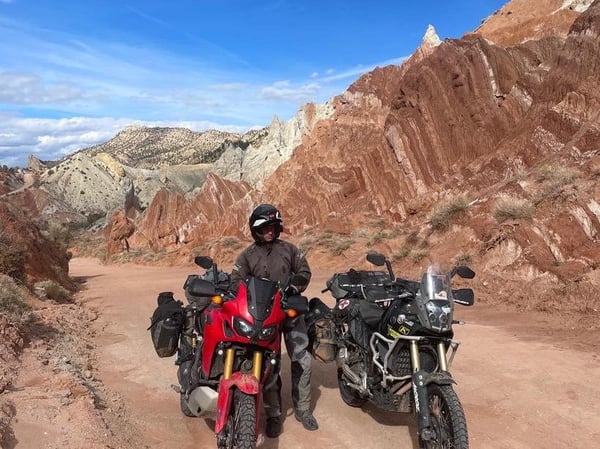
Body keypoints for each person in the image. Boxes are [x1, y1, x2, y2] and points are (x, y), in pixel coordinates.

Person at [230, 203, 319, 438]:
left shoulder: (290, 250)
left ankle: (302, 410)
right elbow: (236, 279)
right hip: (263, 318)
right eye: (265, 227)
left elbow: (305, 272)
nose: (270, 230)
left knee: (303, 359)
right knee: (270, 365)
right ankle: (274, 415)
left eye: (273, 226)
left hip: (290, 312)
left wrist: (295, 286)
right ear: (255, 230)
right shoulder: (247, 255)